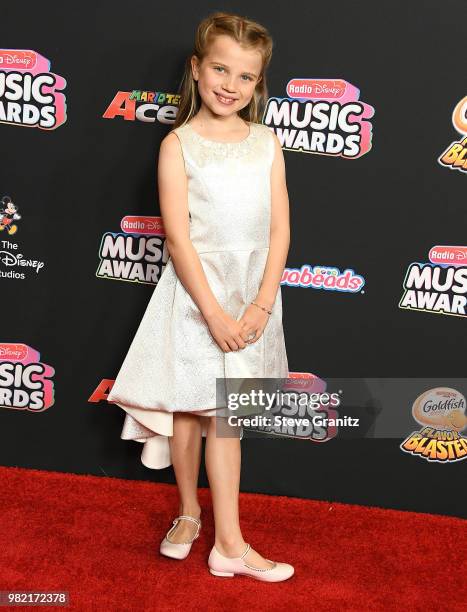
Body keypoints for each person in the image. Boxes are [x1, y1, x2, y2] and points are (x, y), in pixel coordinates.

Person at [107, 11, 293, 582]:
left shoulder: (266, 142)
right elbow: (178, 236)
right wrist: (212, 312)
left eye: (244, 76)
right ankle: (192, 515)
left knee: (226, 418)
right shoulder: (178, 144)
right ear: (196, 68)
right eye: (219, 69)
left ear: (257, 84)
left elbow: (280, 230)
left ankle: (228, 544)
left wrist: (260, 304)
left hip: (250, 297)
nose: (229, 85)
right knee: (189, 411)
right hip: (194, 295)